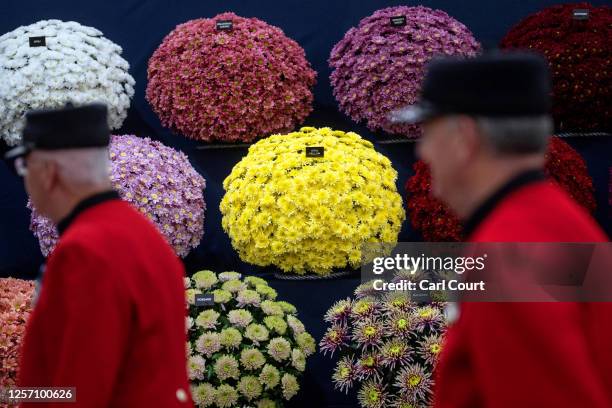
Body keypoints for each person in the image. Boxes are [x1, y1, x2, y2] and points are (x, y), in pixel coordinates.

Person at [391, 53, 611, 407]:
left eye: (427, 133)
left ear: (464, 138)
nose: (423, 151)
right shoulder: (555, 220)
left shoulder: (509, 255)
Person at [5, 104, 193, 407]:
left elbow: (77, 390)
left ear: (48, 173)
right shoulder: (142, 234)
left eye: (25, 169)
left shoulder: (85, 250)